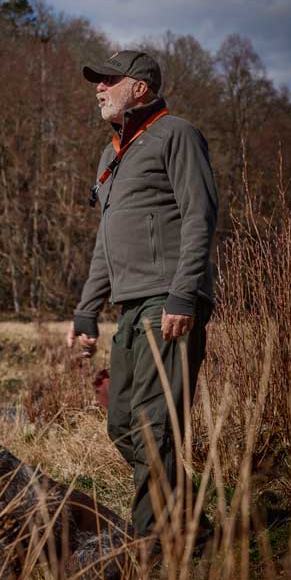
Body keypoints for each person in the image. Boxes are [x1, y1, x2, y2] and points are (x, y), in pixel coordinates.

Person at [66, 50, 218, 544]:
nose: (98, 88)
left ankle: (151, 545)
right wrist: (87, 311)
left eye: (108, 79)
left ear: (140, 87)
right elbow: (105, 241)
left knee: (154, 425)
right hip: (130, 307)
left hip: (167, 300)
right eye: (97, 80)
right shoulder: (112, 154)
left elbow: (200, 216)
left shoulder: (177, 133)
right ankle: (188, 520)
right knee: (121, 422)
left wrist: (184, 294)